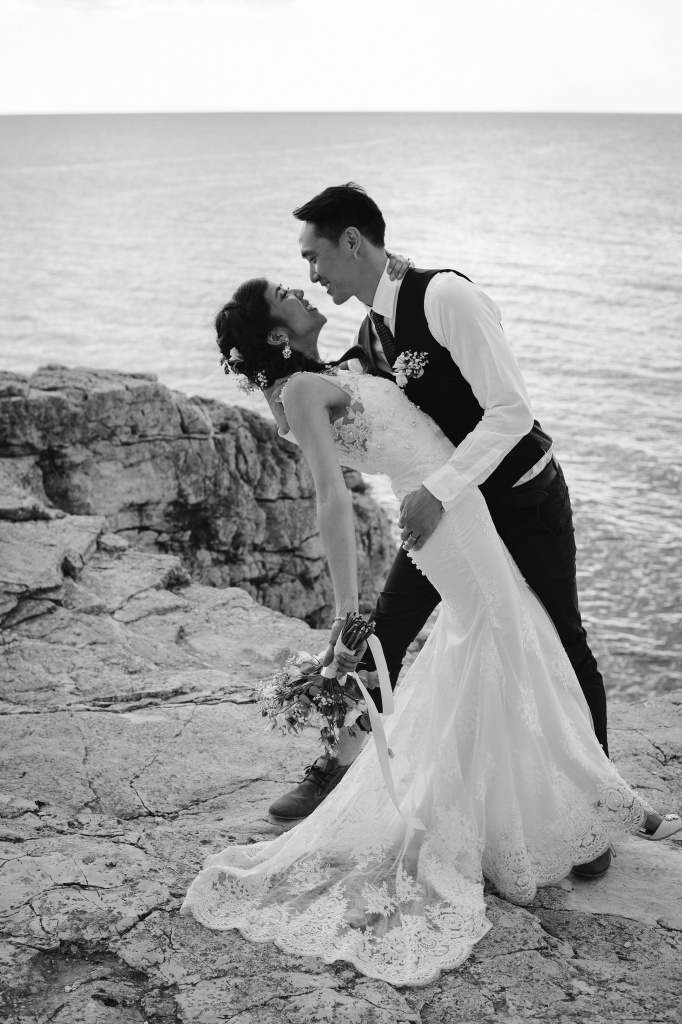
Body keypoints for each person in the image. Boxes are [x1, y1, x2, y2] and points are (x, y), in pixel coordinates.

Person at [180, 277, 681, 988]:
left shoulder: (335, 367)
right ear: (276, 336)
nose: (304, 286)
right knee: (513, 646)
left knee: (508, 646)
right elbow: (329, 498)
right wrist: (346, 606)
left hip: (455, 506)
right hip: (442, 520)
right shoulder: (300, 393)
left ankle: (537, 810)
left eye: (305, 269)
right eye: (287, 291)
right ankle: (606, 806)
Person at [269, 184, 610, 880]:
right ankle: (341, 767)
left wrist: (439, 491)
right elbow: (339, 405)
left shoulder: (446, 297)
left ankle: (595, 814)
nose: (311, 273)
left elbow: (511, 410)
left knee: (562, 639)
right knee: (384, 634)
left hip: (521, 499)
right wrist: (285, 359)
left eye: (314, 257)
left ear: (352, 241)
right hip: (448, 515)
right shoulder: (372, 333)